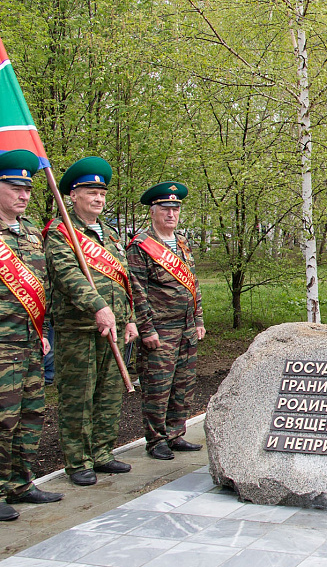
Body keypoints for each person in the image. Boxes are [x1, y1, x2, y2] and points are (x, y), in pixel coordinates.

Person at [45, 157, 138, 486]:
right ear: (73, 195)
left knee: (109, 394)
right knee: (78, 397)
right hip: (78, 328)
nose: (98, 198)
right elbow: (68, 276)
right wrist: (98, 307)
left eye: (101, 193)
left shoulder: (110, 234)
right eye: (90, 192)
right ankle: (78, 460)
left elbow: (123, 279)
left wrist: (129, 318)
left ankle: (101, 452)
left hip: (113, 327)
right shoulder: (61, 233)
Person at [0, 150, 61, 522]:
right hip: (2, 344)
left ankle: (22, 483)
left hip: (31, 341)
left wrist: (43, 328)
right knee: (1, 419)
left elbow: (43, 287)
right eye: (14, 187)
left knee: (31, 415)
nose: (23, 195)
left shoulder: (32, 233)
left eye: (27, 188)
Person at [127, 182, 206, 461]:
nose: (171, 214)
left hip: (185, 327)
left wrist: (198, 318)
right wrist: (146, 328)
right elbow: (136, 290)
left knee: (182, 385)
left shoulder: (182, 242)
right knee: (157, 387)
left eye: (175, 209)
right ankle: (156, 439)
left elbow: (193, 284)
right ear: (153, 211)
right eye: (165, 209)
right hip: (160, 328)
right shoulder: (141, 245)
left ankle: (175, 433)